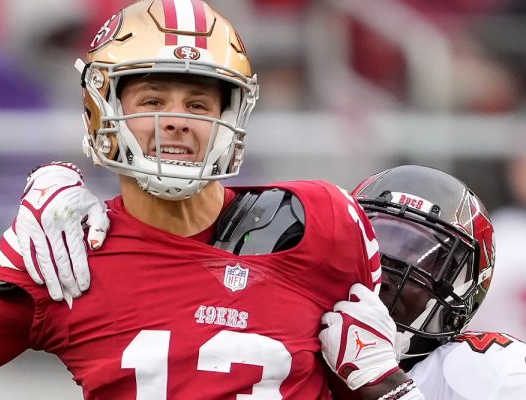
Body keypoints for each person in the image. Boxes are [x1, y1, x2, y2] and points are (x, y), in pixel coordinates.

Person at [0, 0, 411, 398]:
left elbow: (392, 365)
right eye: (152, 100)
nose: (176, 122)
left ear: (230, 116)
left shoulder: (321, 222)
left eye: (198, 104)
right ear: (104, 112)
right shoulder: (68, 254)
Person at [29, 163, 526, 399]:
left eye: (425, 259)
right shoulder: (281, 333)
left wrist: (388, 388)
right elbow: (178, 259)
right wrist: (89, 211)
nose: (394, 266)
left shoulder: (483, 371)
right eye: (382, 239)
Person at [321, 164, 526, 399]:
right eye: (369, 249)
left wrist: (389, 388)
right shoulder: (290, 343)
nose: (382, 276)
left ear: (463, 287)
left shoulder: (486, 373)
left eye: (413, 258)